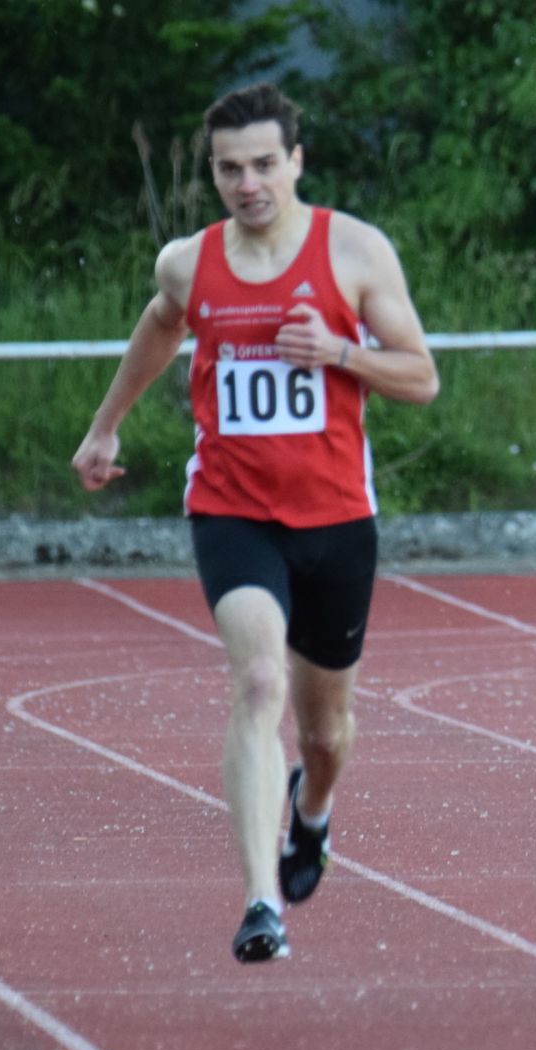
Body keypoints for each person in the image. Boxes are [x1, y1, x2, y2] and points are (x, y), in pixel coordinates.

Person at [72, 82, 439, 963]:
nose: (249, 184)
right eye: (231, 169)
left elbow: (422, 377)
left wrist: (339, 352)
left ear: (296, 162)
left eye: (265, 164)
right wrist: (106, 424)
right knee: (259, 683)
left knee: (325, 733)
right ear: (213, 174)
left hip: (337, 518)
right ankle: (260, 900)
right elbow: (161, 327)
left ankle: (312, 811)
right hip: (231, 510)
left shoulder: (354, 251)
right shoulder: (187, 264)